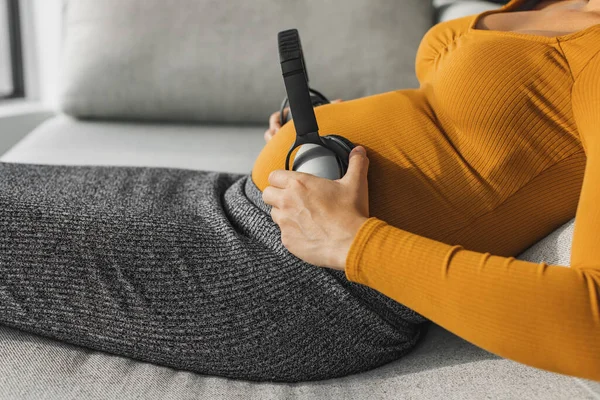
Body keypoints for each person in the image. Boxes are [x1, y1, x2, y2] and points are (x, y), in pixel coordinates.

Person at [0, 0, 598, 384]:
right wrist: (332, 127)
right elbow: (472, 141)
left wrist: (353, 242)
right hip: (239, 208)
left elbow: (592, 324)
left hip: (298, 286)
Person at [257, 0, 600, 382]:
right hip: (265, 206)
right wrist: (310, 133)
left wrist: (351, 242)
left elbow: (593, 323)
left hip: (308, 284)